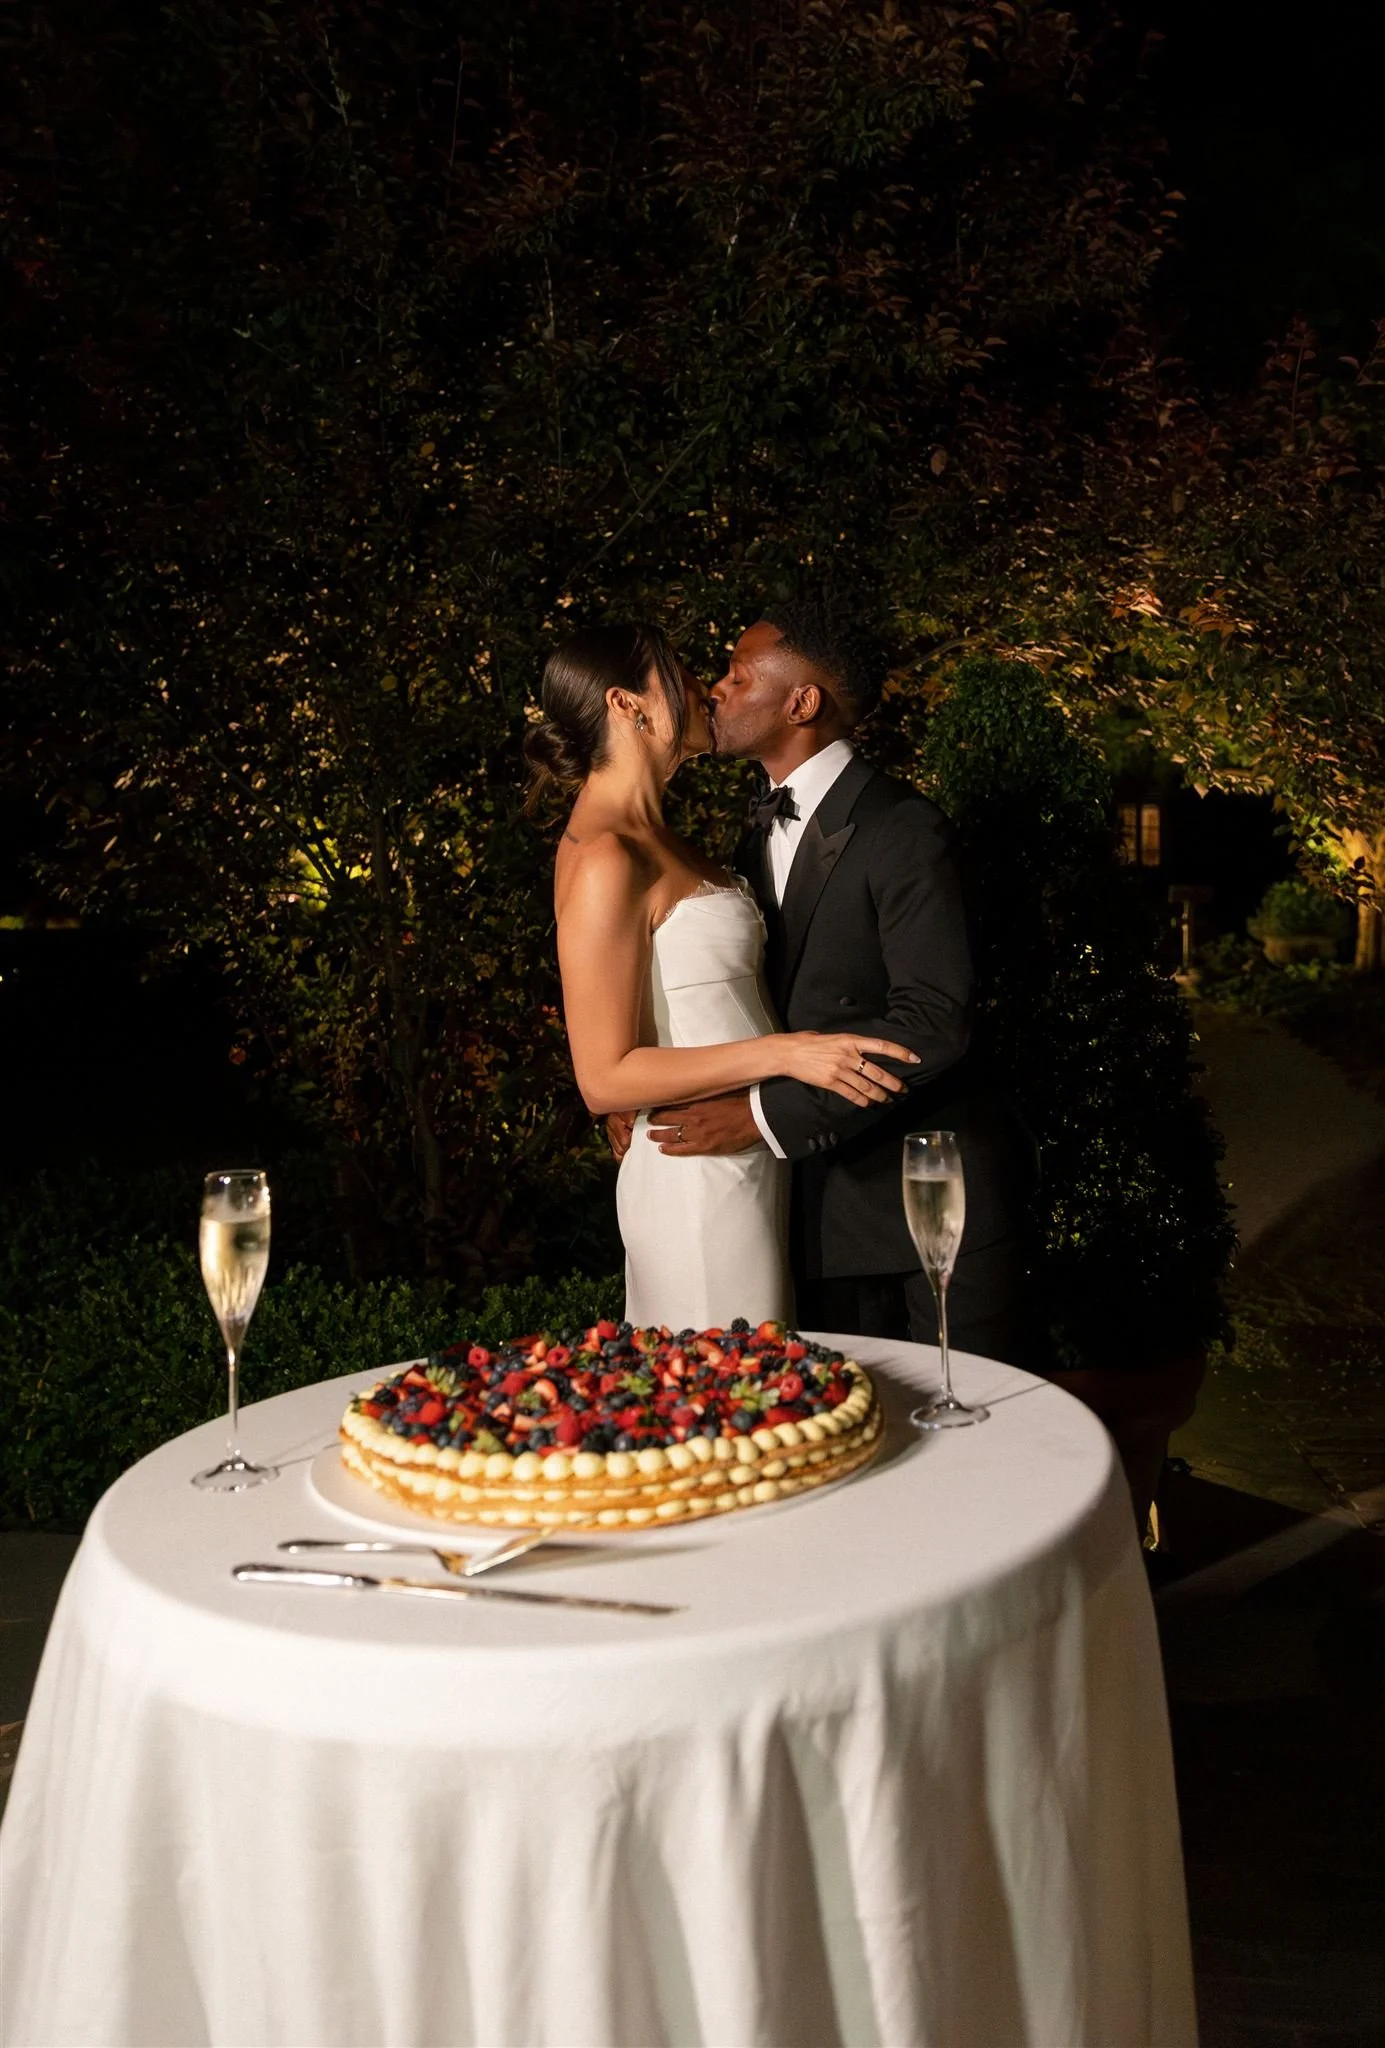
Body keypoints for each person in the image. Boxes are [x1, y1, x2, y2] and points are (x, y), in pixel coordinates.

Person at [611, 593, 1032, 1364]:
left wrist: (762, 1116)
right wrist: (651, 1089)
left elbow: (931, 1019)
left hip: (917, 1200)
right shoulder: (750, 824)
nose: (715, 690)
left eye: (738, 677)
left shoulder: (905, 829)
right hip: (810, 1205)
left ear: (801, 701)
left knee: (967, 1437)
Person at [524, 621, 920, 1332]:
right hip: (693, 1180)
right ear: (626, 704)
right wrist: (786, 1052)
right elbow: (602, 1078)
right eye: (676, 673)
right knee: (732, 1408)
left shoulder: (658, 836)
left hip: (746, 1155)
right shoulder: (607, 853)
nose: (703, 688)